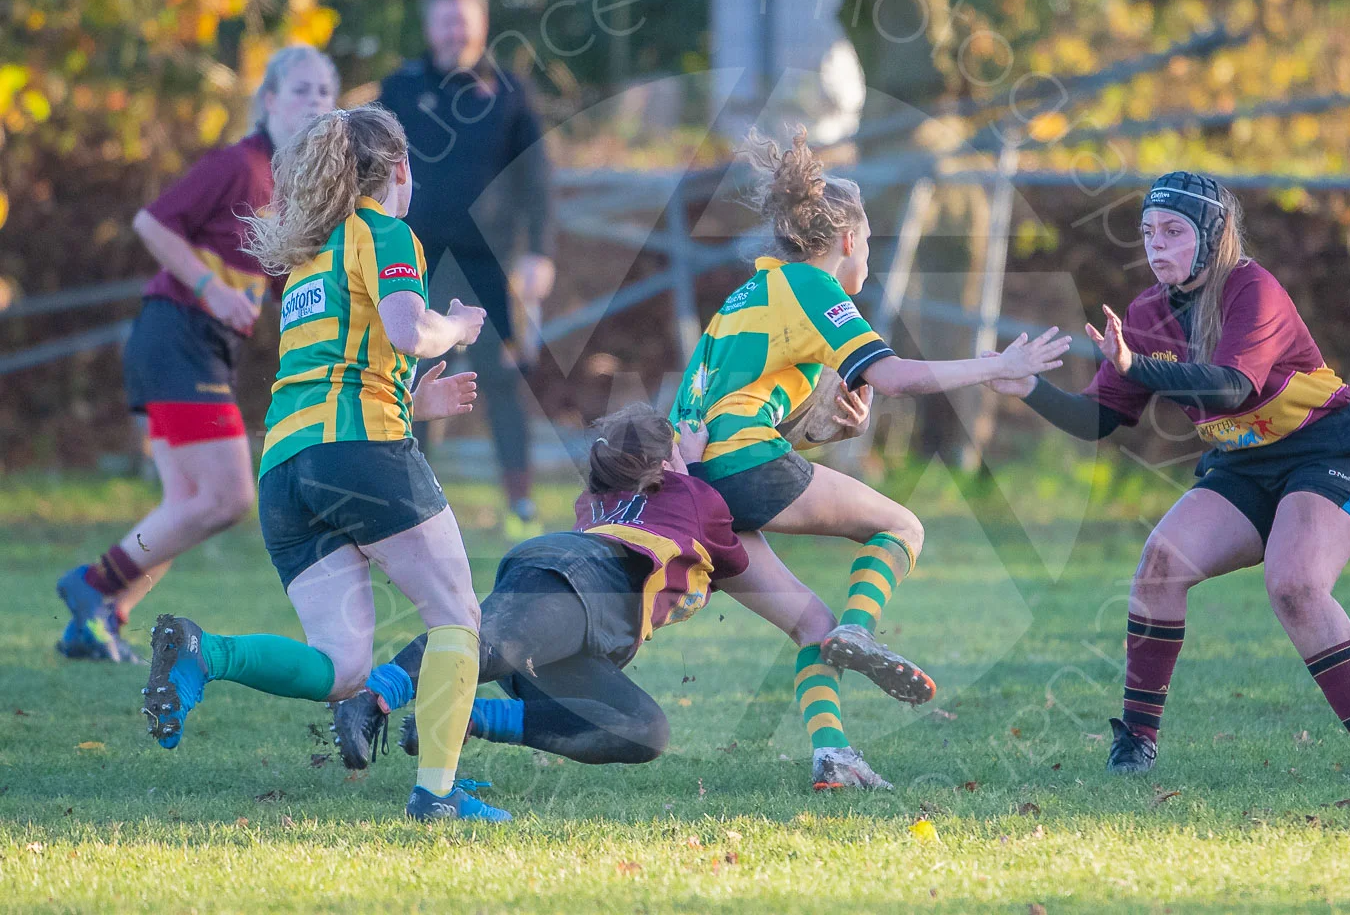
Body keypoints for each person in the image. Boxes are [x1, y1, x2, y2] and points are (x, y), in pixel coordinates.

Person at [142, 104, 512, 822]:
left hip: (287, 466)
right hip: (359, 453)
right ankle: (436, 795)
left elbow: (335, 370)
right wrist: (458, 328)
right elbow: (408, 331)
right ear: (399, 170)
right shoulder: (385, 231)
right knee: (457, 615)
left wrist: (412, 407)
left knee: (344, 666)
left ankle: (204, 653)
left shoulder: (311, 259)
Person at [987, 170, 1350, 776]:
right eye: (1147, 232)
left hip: (1325, 451)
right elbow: (1099, 420)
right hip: (1242, 464)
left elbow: (1230, 386)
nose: (1155, 244)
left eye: (1172, 231)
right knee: (1158, 568)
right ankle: (1135, 746)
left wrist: (1138, 365)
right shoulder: (1144, 313)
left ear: (1212, 237)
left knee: (1294, 584)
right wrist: (1027, 387)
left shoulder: (1252, 288)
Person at [668, 127, 1071, 750]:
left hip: (700, 487)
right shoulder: (814, 288)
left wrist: (822, 433)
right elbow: (895, 378)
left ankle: (834, 757)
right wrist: (994, 367)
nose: (867, 259)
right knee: (903, 528)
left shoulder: (745, 297)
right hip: (743, 468)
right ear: (848, 239)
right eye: (870, 245)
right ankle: (860, 629)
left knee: (811, 625)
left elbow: (723, 416)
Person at [332, 403, 896, 790]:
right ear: (665, 463)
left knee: (641, 732)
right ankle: (372, 698)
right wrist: (698, 466)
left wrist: (679, 463)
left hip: (589, 620)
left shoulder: (598, 500)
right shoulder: (691, 494)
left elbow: (670, 510)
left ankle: (459, 718)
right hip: (583, 583)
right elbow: (729, 541)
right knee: (488, 643)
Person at [55, 45, 339, 664]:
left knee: (187, 504)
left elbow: (285, 287)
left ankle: (94, 624)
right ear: (268, 101)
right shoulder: (239, 165)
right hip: (176, 337)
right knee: (227, 497)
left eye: (325, 92)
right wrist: (211, 289)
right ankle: (93, 587)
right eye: (301, 90)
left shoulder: (293, 189)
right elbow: (152, 224)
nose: (316, 102)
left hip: (196, 348)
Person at [378, 0, 554, 536]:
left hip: (492, 262)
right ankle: (412, 499)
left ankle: (519, 504)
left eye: (465, 21)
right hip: (413, 257)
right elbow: (369, 168)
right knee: (411, 373)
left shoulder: (510, 90)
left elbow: (538, 180)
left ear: (482, 24)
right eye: (446, 22)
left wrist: (540, 253)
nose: (456, 32)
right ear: (430, 28)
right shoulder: (399, 88)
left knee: (504, 378)